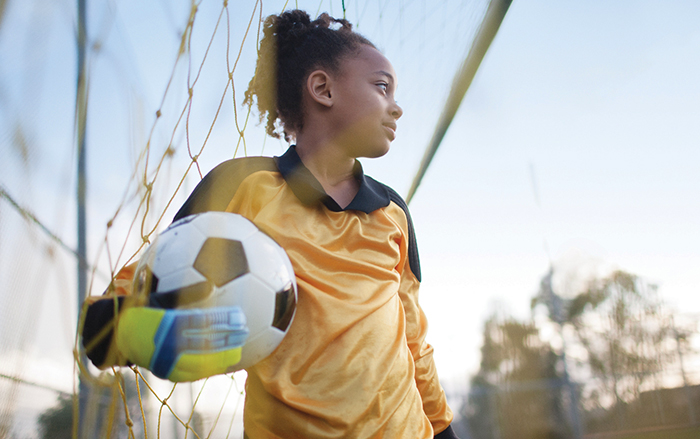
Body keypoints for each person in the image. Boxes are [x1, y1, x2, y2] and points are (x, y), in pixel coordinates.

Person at [82, 9, 458, 438]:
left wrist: (442, 427)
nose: (397, 107)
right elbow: (154, 271)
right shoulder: (244, 185)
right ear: (322, 89)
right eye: (381, 86)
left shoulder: (392, 213)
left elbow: (412, 336)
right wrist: (120, 325)